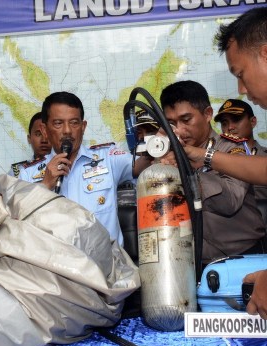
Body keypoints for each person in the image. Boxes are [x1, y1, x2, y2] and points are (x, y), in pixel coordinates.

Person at [18, 91, 151, 244]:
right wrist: (45, 185)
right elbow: (18, 224)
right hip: (57, 258)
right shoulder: (27, 175)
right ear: (44, 129)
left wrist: (155, 147)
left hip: (107, 258)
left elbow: (143, 164)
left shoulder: (108, 158)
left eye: (74, 123)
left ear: (83, 127)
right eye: (58, 123)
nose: (67, 130)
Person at [159, 80, 265, 266]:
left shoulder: (232, 148)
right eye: (171, 123)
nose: (180, 130)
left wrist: (187, 173)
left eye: (186, 120)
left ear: (207, 114)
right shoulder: (168, 154)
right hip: (192, 262)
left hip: (243, 258)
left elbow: (230, 202)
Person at [214, 98, 267, 198]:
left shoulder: (265, 157)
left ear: (253, 121)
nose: (230, 127)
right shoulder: (216, 160)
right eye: (224, 123)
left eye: (236, 120)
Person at [9, 112, 51, 177]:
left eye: (48, 134)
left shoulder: (64, 166)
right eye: (38, 134)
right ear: (29, 138)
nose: (44, 140)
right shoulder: (17, 171)